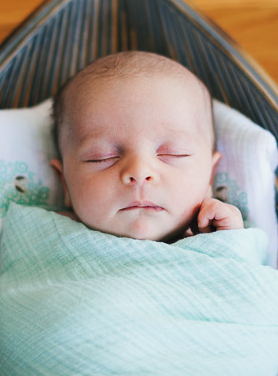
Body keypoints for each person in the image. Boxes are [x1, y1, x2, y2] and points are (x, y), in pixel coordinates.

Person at [49, 51, 244, 243]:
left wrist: (230, 242)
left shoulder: (219, 235)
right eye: (102, 157)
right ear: (65, 181)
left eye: (172, 153)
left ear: (209, 175)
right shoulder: (46, 233)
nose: (140, 171)